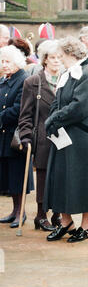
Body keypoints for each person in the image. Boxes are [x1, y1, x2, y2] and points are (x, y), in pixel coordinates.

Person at [43, 36, 88, 243]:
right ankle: (66, 222)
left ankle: (86, 226)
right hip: (64, 136)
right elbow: (58, 102)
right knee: (62, 180)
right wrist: (53, 119)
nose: (59, 59)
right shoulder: (67, 74)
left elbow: (80, 106)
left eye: (61, 55)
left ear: (70, 54)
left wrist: (54, 119)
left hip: (83, 136)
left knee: (85, 182)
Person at [18, 40, 63, 232]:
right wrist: (26, 136)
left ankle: (58, 215)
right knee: (44, 176)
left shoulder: (67, 79)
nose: (56, 61)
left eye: (60, 57)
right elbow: (25, 114)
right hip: (43, 136)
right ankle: (41, 215)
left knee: (61, 177)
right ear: (44, 60)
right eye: (52, 58)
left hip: (63, 136)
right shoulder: (33, 82)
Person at [0, 45, 34, 228]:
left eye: (8, 62)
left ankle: (21, 213)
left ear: (17, 62)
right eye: (2, 61)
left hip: (18, 135)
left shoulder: (24, 80)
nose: (4, 65)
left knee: (18, 176)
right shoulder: (5, 80)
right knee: (8, 175)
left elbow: (19, 108)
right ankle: (14, 211)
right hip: (4, 135)